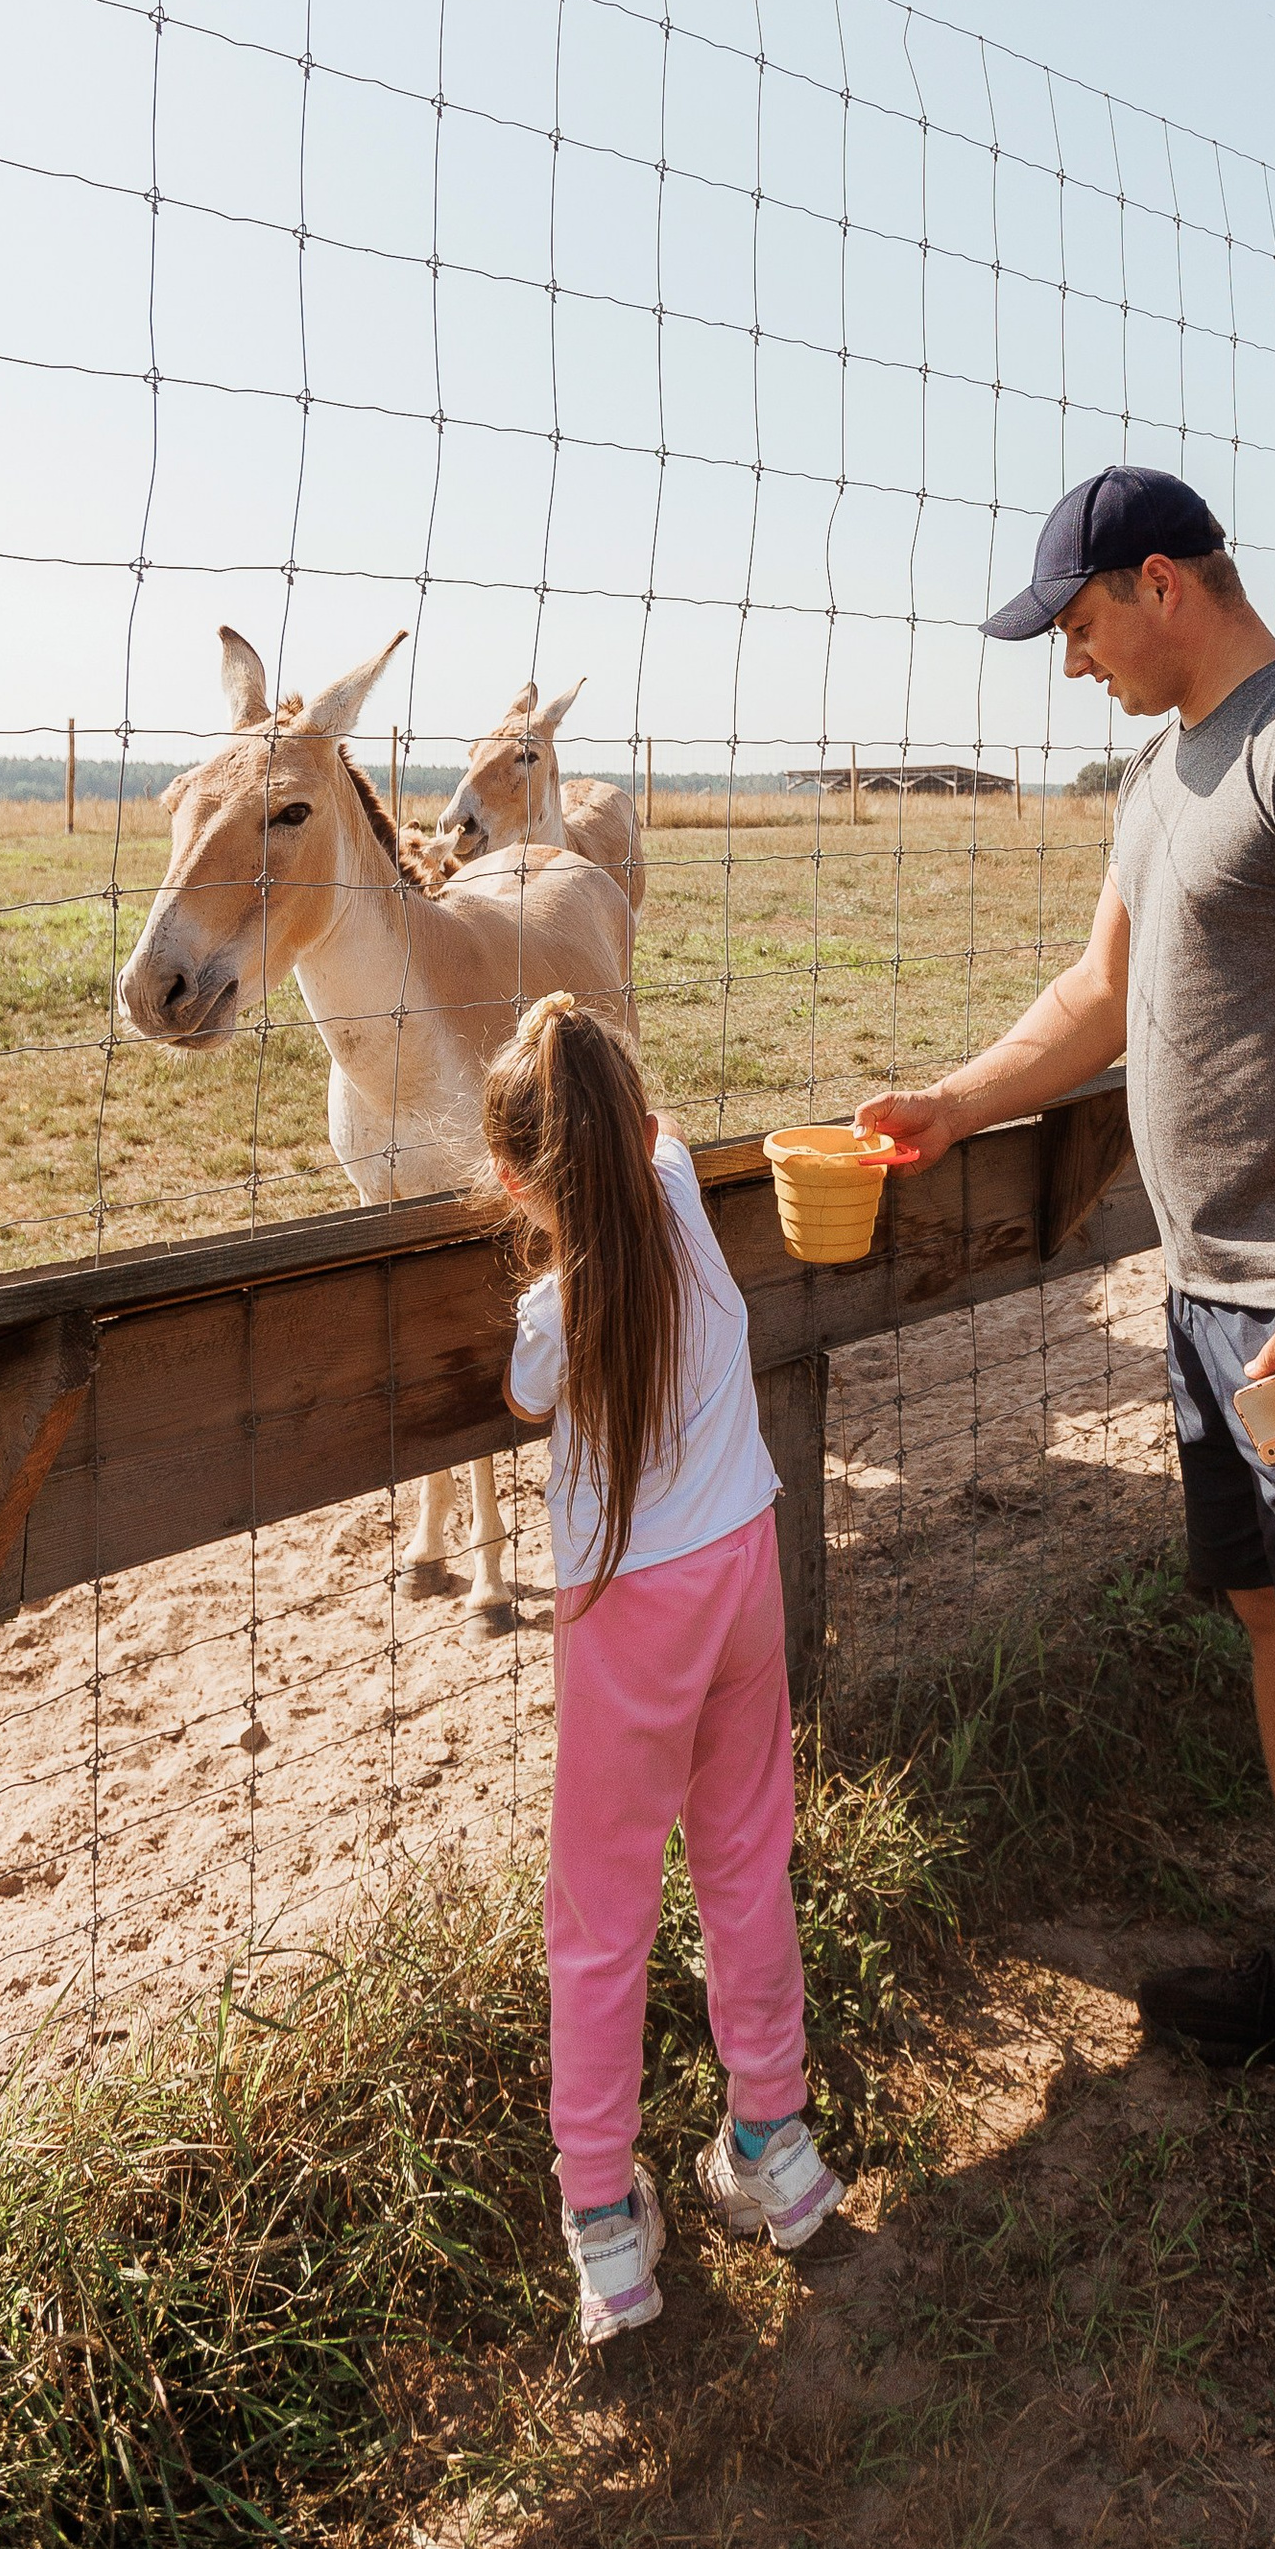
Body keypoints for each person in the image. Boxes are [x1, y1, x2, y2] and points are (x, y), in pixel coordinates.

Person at [857, 467, 1275, 2381]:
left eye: (1078, 624)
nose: (1068, 662)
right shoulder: (1164, 776)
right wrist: (957, 1103)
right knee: (1272, 1633)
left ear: (1164, 581)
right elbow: (1105, 989)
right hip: (1214, 1302)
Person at [484, 989, 846, 2344]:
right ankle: (775, 2145)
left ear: (514, 1182)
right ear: (641, 1134)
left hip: (630, 1612)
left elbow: (526, 1397)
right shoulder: (684, 1202)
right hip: (744, 1567)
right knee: (746, 1858)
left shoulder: (550, 1320)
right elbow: (659, 1131)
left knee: (599, 1915)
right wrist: (579, 1029)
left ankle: (601, 2220)